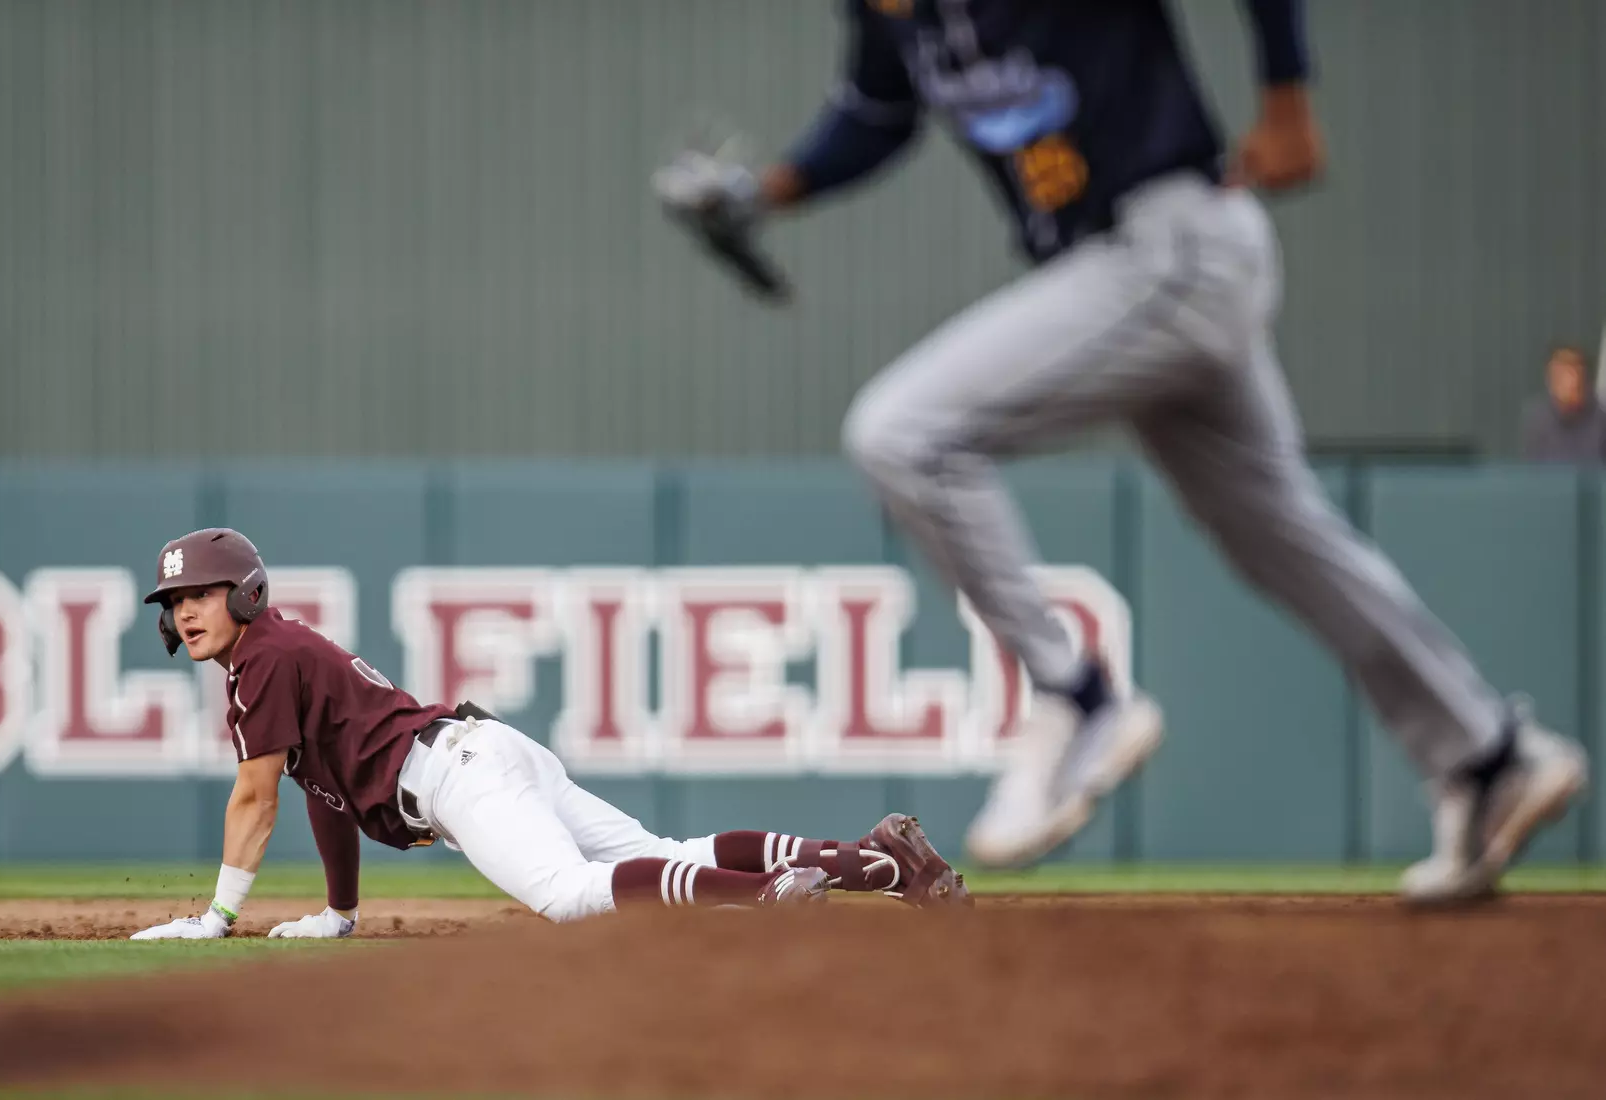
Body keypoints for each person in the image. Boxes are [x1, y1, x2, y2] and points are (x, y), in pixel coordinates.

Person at [653, 0, 1587, 904]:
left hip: (1167, 242)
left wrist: (1287, 102)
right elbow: (877, 115)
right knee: (1283, 538)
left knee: (904, 432)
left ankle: (1080, 694)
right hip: (1127, 274)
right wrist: (765, 192)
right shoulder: (899, 13)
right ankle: (1487, 756)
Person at [129, 528, 968, 940]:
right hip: (478, 752)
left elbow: (256, 794)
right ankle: (876, 862)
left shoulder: (262, 660)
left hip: (458, 776)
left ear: (244, 595)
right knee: (657, 848)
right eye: (175, 603)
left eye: (200, 594)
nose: (186, 613)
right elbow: (331, 796)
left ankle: (767, 895)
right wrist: (340, 912)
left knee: (570, 895)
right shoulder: (277, 653)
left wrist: (217, 917)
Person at [1520, 345, 1605, 464]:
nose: (1571, 382)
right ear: (1550, 380)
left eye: (1575, 373)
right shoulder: (1537, 421)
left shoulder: (1600, 421)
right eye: (1562, 376)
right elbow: (1531, 473)